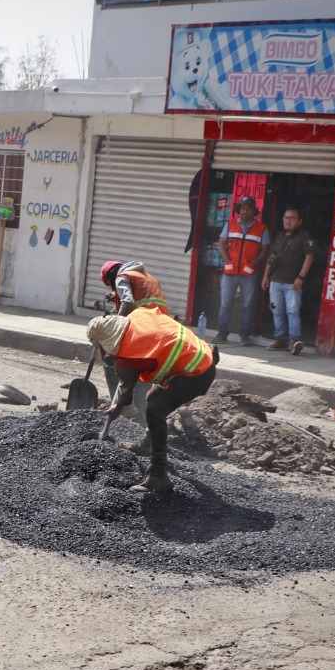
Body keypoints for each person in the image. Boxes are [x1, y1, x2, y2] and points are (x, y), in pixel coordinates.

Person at [88, 305, 218, 494]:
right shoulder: (140, 314)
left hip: (197, 373)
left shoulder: (126, 360)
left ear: (105, 343)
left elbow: (126, 396)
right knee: (153, 397)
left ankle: (158, 475)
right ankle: (149, 443)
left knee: (155, 410)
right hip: (204, 354)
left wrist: (116, 407)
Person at [96, 259, 168, 438]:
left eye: (110, 285)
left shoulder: (122, 278)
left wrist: (115, 323)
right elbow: (142, 299)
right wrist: (116, 296)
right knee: (143, 372)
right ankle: (149, 423)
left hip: (144, 327)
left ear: (112, 277)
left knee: (111, 359)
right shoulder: (144, 276)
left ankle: (123, 407)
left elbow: (128, 303)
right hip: (160, 327)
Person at [262, 207, 316, 355]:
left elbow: (309, 257)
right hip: (275, 280)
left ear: (299, 221)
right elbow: (271, 257)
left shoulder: (305, 237)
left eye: (292, 218)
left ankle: (294, 340)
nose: (288, 221)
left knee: (293, 311)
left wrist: (301, 277)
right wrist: (266, 276)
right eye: (286, 218)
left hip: (293, 283)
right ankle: (280, 340)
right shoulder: (279, 236)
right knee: (276, 310)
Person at [214, 196, 266, 346]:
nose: (245, 211)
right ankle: (222, 334)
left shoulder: (261, 228)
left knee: (247, 305)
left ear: (253, 211)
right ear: (239, 211)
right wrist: (227, 261)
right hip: (230, 273)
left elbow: (265, 249)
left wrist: (254, 263)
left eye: (248, 209)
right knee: (225, 304)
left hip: (249, 274)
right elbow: (221, 244)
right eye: (243, 208)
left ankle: (245, 336)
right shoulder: (230, 225)